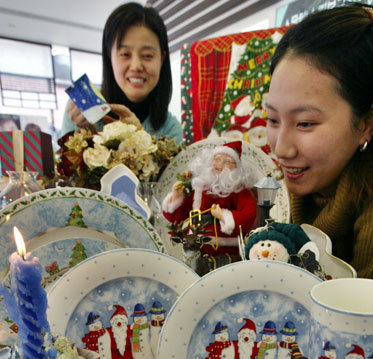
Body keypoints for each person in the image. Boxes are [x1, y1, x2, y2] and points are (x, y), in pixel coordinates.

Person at [265, 4, 373, 284]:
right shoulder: (279, 191)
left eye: (305, 123)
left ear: (367, 122)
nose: (281, 149)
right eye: (273, 119)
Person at [61, 2, 182, 142]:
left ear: (161, 59)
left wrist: (137, 136)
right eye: (125, 54)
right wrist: (85, 134)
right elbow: (62, 156)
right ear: (109, 57)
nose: (136, 66)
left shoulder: (171, 130)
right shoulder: (83, 109)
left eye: (147, 55)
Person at [162, 141, 260, 256]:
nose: (220, 164)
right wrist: (175, 197)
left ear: (236, 168)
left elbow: (248, 217)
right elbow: (176, 218)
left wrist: (223, 215)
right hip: (195, 245)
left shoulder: (240, 191)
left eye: (227, 161)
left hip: (226, 248)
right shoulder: (200, 187)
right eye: (217, 159)